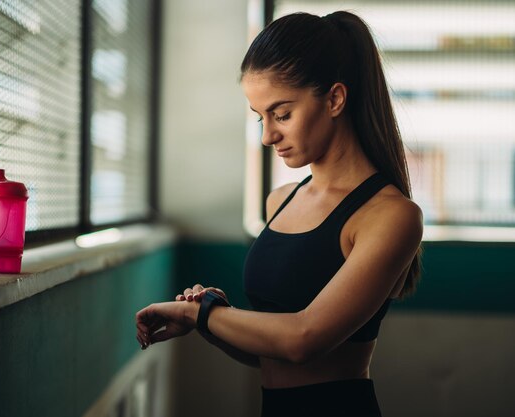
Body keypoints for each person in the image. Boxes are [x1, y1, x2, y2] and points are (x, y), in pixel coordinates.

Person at [136, 11, 423, 417]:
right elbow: (270, 353)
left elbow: (302, 340)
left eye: (282, 114)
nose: (268, 135)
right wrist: (209, 320)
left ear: (335, 99)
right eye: (260, 117)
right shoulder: (280, 201)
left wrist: (200, 313)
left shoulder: (390, 215)